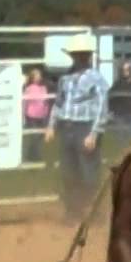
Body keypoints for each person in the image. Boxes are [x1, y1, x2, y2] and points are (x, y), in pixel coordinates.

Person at [44, 33, 109, 222]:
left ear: (87, 56)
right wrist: (51, 126)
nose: (78, 57)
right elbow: (58, 103)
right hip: (68, 127)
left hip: (85, 127)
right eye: (76, 54)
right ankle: (73, 211)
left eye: (81, 54)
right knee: (68, 172)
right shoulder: (65, 78)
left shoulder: (96, 78)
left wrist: (94, 134)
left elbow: (101, 108)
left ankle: (95, 212)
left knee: (89, 173)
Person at [21, 67, 51, 164]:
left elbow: (45, 102)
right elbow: (25, 103)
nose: (39, 77)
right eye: (37, 75)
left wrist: (46, 114)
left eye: (39, 75)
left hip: (42, 116)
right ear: (32, 77)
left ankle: (31, 155)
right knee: (35, 135)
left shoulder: (43, 88)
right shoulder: (28, 89)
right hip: (32, 116)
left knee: (39, 136)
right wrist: (23, 116)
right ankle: (35, 156)